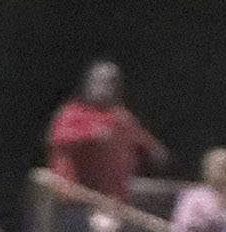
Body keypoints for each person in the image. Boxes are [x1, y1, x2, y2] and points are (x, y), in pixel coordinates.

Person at [45, 61, 169, 208]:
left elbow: (145, 142)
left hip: (112, 202)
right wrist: (91, 135)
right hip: (76, 199)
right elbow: (57, 139)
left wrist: (155, 150)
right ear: (88, 83)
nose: (105, 88)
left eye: (111, 83)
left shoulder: (121, 117)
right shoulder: (72, 112)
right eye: (100, 82)